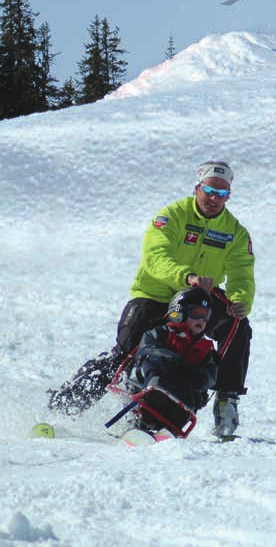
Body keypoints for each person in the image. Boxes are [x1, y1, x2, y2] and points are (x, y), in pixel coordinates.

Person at [48, 160, 254, 438]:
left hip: (198, 298)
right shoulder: (172, 216)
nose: (215, 199)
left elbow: (242, 272)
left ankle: (227, 401)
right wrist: (187, 276)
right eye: (210, 190)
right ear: (197, 188)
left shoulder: (235, 231)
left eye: (223, 193)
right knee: (123, 351)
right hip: (157, 295)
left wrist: (240, 300)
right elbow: (156, 256)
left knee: (238, 326)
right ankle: (65, 407)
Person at [130, 287, 219, 432]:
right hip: (152, 383)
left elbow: (210, 376)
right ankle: (143, 422)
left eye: (205, 316)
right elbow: (148, 350)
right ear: (180, 312)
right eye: (196, 314)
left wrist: (195, 375)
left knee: (188, 401)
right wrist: (175, 362)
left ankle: (169, 430)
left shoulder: (207, 349)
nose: (202, 320)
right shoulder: (162, 333)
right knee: (158, 388)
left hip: (183, 391)